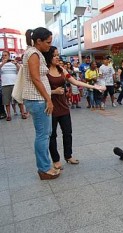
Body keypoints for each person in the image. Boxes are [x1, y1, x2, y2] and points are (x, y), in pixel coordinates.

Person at [43, 46, 105, 169]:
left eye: (58, 55)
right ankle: (56, 160)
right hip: (50, 107)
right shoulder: (44, 71)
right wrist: (53, 92)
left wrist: (94, 87)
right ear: (48, 56)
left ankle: (68, 156)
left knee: (67, 132)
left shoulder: (62, 70)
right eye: (54, 55)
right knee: (52, 135)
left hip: (63, 106)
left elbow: (75, 82)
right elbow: (39, 90)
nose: (57, 57)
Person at [22, 27, 60, 180]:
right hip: (37, 99)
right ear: (38, 41)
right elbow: (36, 78)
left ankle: (45, 166)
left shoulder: (36, 53)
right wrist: (49, 99)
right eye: (48, 42)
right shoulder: (33, 54)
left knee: (45, 134)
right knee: (43, 135)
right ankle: (44, 169)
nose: (49, 46)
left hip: (38, 98)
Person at [0, 50, 27, 120]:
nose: (4, 56)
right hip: (5, 84)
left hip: (15, 84)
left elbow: (20, 70)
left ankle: (23, 113)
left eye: (5, 55)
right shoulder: (1, 63)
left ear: (9, 56)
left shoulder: (13, 63)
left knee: (19, 99)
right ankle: (9, 115)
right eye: (3, 55)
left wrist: (16, 63)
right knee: (6, 101)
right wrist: (2, 63)